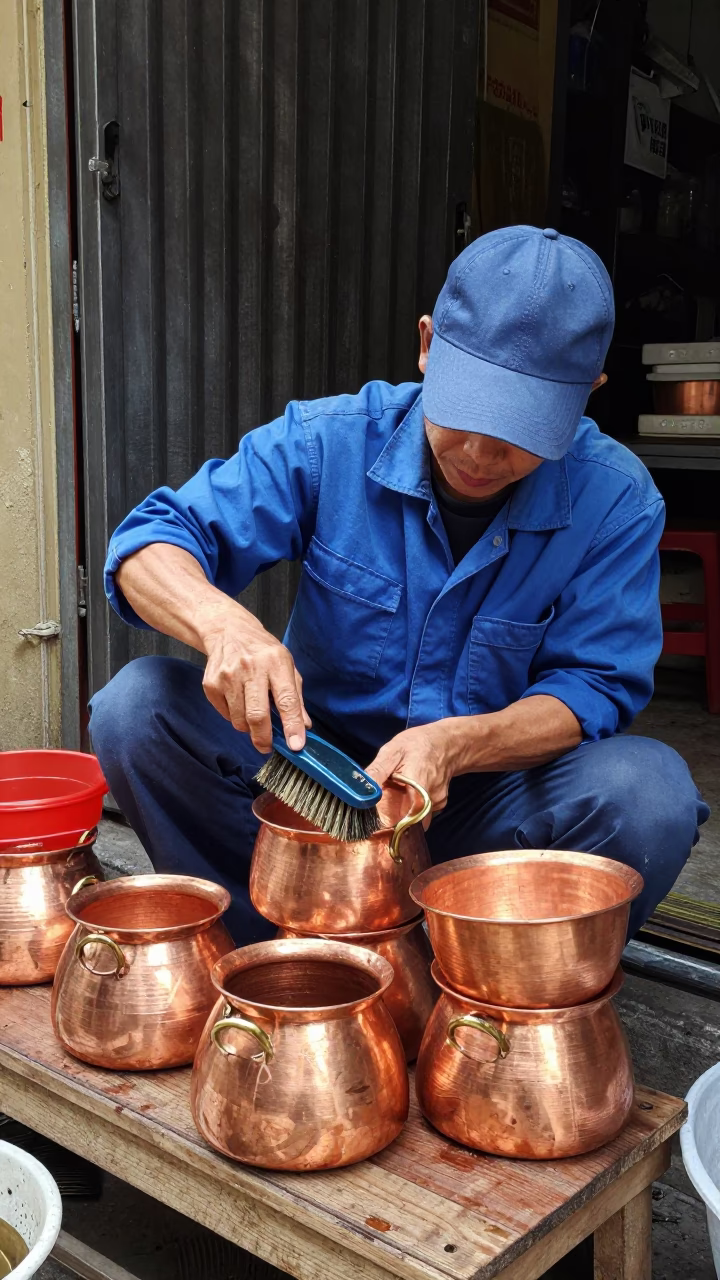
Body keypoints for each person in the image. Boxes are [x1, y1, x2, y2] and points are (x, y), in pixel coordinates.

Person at [90, 225, 709, 942]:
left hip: (480, 812)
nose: (480, 453)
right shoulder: (331, 441)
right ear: (426, 344)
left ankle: (481, 977)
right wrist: (226, 626)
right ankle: (274, 953)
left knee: (650, 795)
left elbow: (595, 689)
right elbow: (146, 545)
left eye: (521, 428)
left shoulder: (617, 502)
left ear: (588, 395)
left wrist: (457, 745)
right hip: (315, 785)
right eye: (464, 410)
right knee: (137, 708)